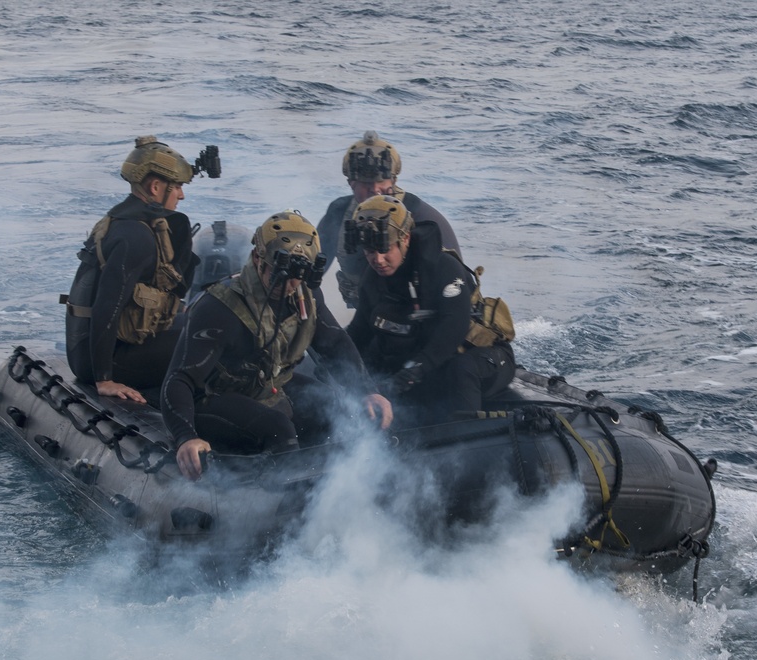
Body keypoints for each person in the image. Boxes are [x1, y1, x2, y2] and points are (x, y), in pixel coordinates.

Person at [160, 210, 393, 480]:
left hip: (269, 384)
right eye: (280, 273)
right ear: (258, 258)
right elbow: (179, 379)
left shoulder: (305, 294)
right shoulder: (219, 308)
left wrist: (366, 390)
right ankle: (276, 501)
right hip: (215, 397)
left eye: (298, 275)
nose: (290, 283)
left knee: (336, 409)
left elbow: (334, 343)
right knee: (279, 430)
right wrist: (185, 437)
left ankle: (335, 486)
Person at [63, 135, 220, 403]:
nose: (182, 194)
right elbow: (106, 306)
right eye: (178, 186)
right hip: (100, 361)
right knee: (211, 344)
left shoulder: (127, 219)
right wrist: (104, 379)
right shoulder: (136, 236)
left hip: (101, 346)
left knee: (207, 324)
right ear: (157, 187)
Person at [344, 195, 515, 424]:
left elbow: (454, 326)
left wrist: (415, 369)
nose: (378, 259)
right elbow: (360, 331)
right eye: (370, 251)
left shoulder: (442, 267)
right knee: (371, 364)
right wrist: (334, 354)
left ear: (404, 239)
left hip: (474, 357)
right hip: (422, 361)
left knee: (461, 369)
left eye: (385, 250)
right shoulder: (372, 279)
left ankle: (468, 436)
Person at [317, 130, 461, 308]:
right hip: (365, 312)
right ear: (351, 183)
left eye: (382, 182)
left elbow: (454, 281)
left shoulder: (421, 218)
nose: (375, 190)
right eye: (366, 184)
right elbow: (313, 268)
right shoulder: (339, 214)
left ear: (393, 180)